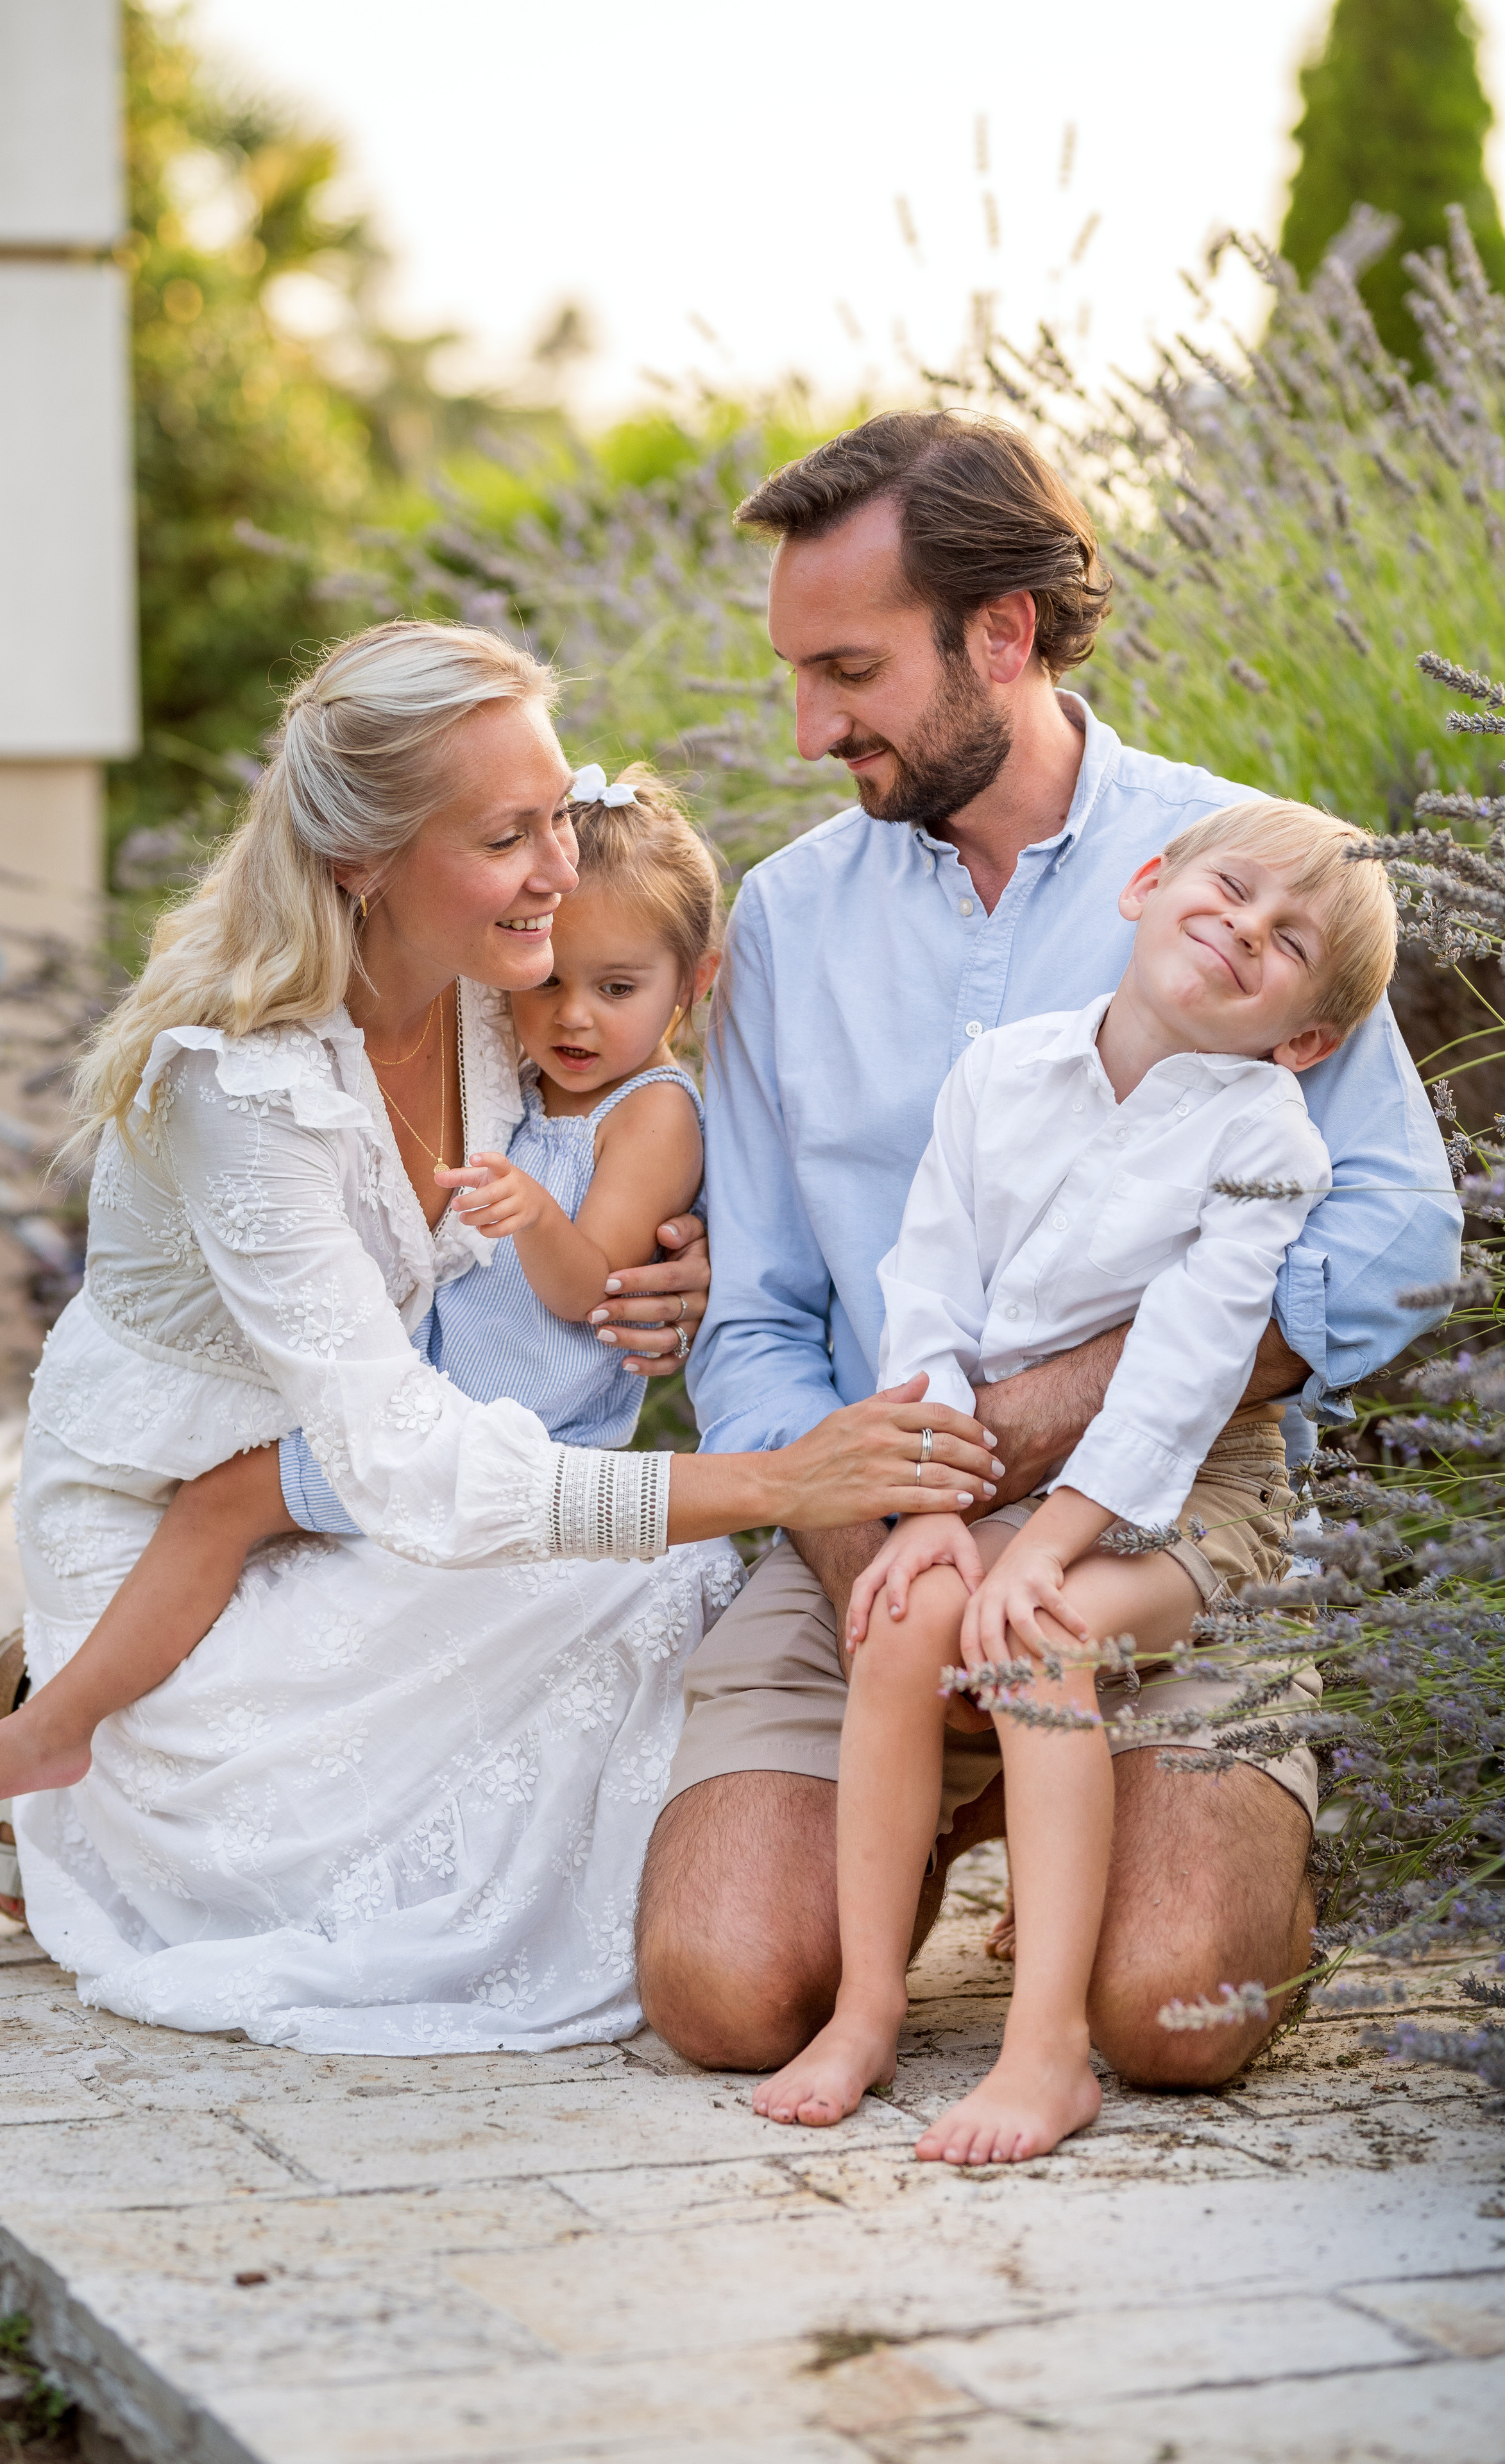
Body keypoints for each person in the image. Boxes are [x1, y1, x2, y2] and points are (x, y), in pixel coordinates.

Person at [0, 619, 994, 2058]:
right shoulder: (244, 1093)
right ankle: (72, 1739)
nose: (560, 869)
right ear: (362, 862)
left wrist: (656, 1274)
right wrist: (773, 1481)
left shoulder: (508, 1001)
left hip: (372, 1470)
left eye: (557, 814)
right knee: (636, 1600)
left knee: (639, 1616)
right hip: (204, 1512)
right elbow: (408, 1466)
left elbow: (588, 1198)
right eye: (508, 836)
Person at [636, 411, 1460, 2093]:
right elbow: (766, 1314)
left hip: (1162, 1523)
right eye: (795, 672)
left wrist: (1052, 1428)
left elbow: (1392, 1239)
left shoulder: (1249, 886)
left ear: (1000, 635)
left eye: (849, 671)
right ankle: (965, 1797)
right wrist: (884, 1559)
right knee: (722, 1992)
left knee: (1172, 2015)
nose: (807, 729)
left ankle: (1160, 1823)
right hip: (870, 1525)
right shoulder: (789, 920)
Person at [752, 799, 1397, 2159]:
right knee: (900, 1623)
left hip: (1186, 1497)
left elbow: (1179, 1374)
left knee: (1037, 1642)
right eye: (1226, 892)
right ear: (1148, 885)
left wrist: (1044, 1549)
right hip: (981, 1472)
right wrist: (928, 1513)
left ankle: (1042, 2050)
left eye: (1284, 943)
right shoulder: (1000, 1075)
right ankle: (869, 2008)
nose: (1239, 930)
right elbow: (921, 1290)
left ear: (1304, 1038)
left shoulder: (1265, 1139)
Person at [0, 759, 726, 1815]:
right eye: (554, 979)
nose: (570, 1018)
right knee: (249, 1537)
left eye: (616, 989)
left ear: (691, 985)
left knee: (224, 1503)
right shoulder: (511, 1047)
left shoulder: (649, 1109)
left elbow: (585, 1290)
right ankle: (61, 1713)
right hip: (441, 1395)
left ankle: (51, 1727)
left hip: (508, 1418)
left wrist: (538, 1217)